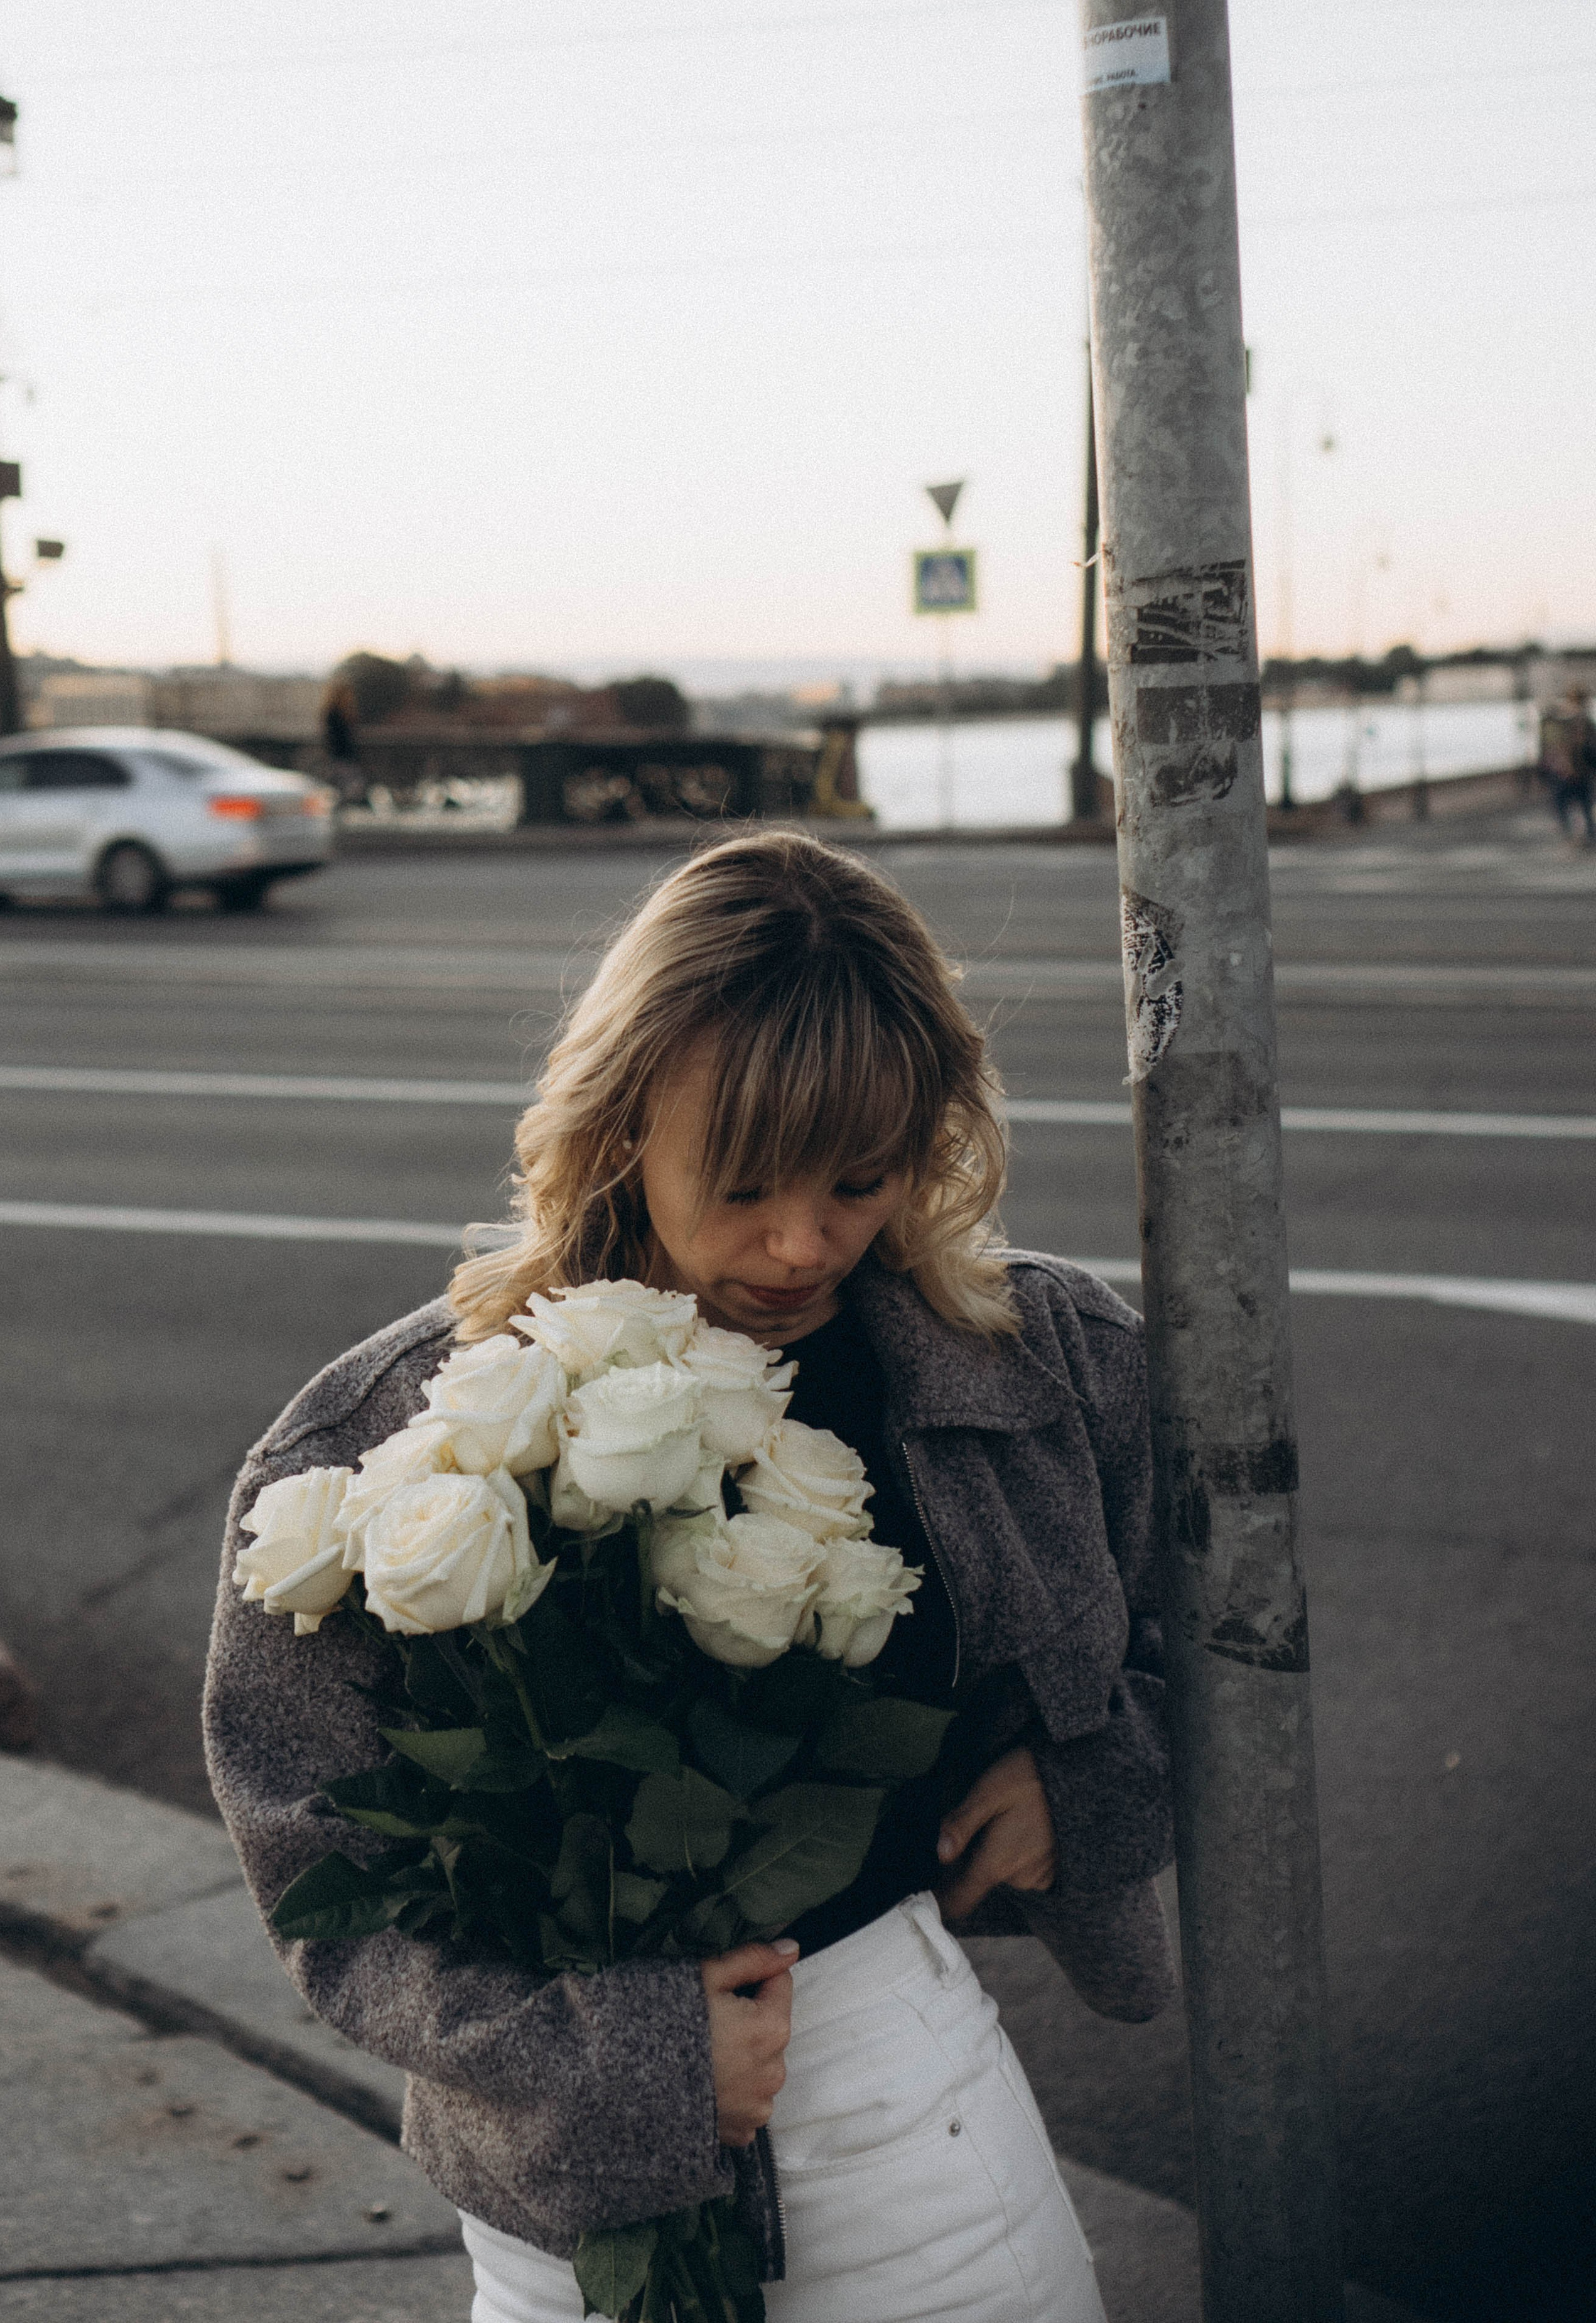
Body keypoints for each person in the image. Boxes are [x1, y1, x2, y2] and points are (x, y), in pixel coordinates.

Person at [203, 831, 1175, 2323]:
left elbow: (1230, 1655)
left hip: (912, 2138)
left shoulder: (1043, 1368)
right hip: (564, 2211)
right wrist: (624, 2053)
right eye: (740, 1182)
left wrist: (1093, 1767)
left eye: (859, 1177)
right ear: (618, 1124)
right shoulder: (395, 1437)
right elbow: (317, 1873)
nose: (801, 1243)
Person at [1538, 686, 1596, 845]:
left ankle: (1574, 837)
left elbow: (1546, 749)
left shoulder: (1554, 720)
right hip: (1574, 772)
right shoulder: (1582, 721)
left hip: (1563, 772)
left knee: (1567, 807)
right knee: (1582, 806)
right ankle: (1580, 837)